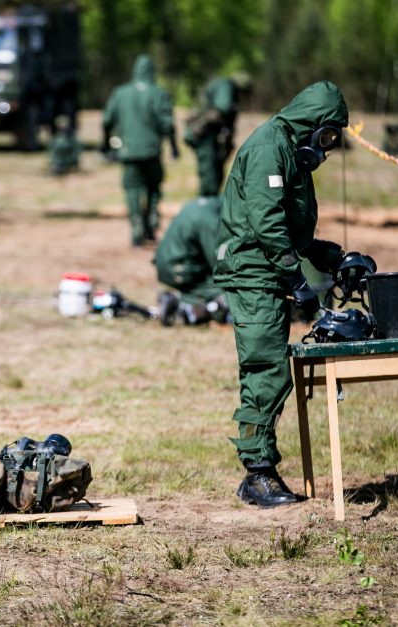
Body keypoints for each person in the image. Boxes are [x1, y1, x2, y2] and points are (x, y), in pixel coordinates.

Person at [213, 80, 348, 507]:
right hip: (254, 273)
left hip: (267, 268)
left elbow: (295, 232)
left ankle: (259, 470)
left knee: (270, 369)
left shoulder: (290, 152)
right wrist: (295, 280)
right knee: (265, 369)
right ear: (310, 123)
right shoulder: (270, 146)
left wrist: (336, 259)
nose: (326, 149)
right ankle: (257, 474)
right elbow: (266, 222)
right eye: (325, 136)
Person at [102, 54, 178, 247]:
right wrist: (174, 147)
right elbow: (168, 124)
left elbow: (106, 120)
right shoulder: (158, 93)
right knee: (153, 187)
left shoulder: (120, 93)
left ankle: (136, 225)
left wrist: (106, 145)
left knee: (132, 189)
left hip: (129, 152)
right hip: (152, 151)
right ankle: (152, 220)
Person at [155, 196, 229, 326]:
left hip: (167, 263)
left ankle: (179, 299)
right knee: (229, 296)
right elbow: (219, 263)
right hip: (180, 269)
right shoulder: (209, 219)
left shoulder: (199, 204)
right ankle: (181, 302)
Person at [183, 75, 247, 197]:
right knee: (210, 180)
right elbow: (224, 107)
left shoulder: (224, 89)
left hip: (210, 139)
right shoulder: (226, 86)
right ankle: (206, 208)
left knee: (215, 175)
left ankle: (208, 204)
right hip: (205, 137)